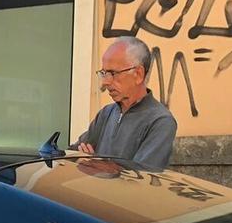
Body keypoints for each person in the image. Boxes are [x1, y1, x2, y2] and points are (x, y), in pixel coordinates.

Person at [76, 36, 177, 172]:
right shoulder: (107, 113)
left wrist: (95, 164)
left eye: (112, 73)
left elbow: (142, 175)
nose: (105, 82)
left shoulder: (160, 121)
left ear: (138, 74)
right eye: (103, 73)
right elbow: (76, 152)